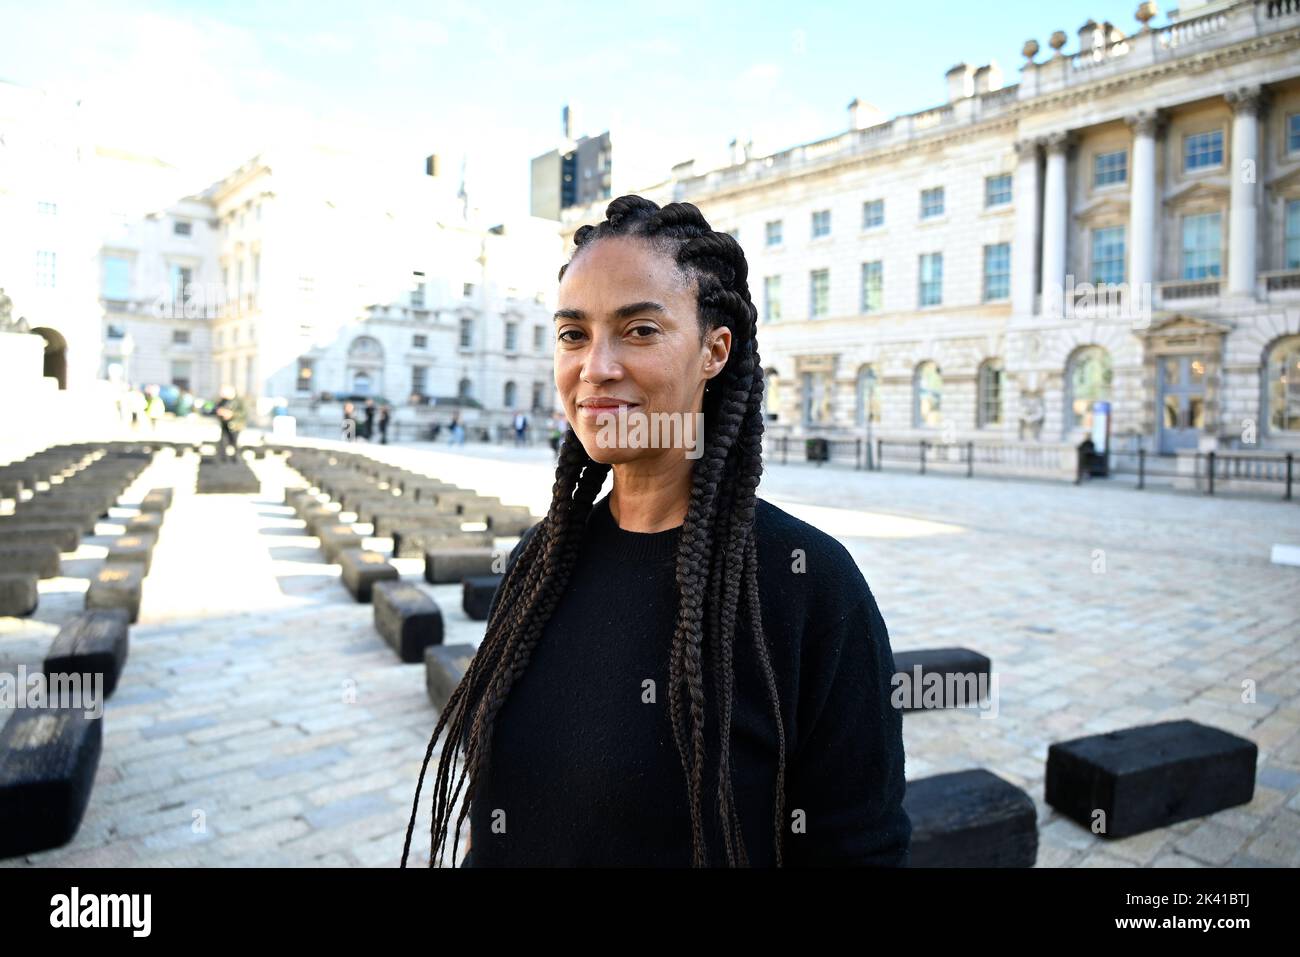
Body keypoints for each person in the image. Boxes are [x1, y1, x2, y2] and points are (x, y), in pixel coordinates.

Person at [403, 195, 910, 869]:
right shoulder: (538, 562)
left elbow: (860, 852)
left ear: (714, 350)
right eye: (573, 334)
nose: (597, 367)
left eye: (639, 330)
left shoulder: (809, 585)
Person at [214, 386, 245, 460]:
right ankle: (223, 458)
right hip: (225, 425)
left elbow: (243, 413)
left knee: (234, 442)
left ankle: (236, 458)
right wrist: (220, 412)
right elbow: (216, 409)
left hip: (235, 425)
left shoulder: (239, 401)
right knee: (223, 442)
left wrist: (232, 414)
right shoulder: (222, 401)